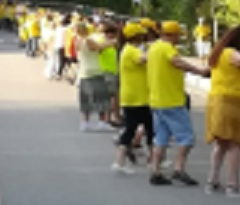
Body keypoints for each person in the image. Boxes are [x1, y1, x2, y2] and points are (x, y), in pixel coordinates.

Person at [146, 20, 210, 185]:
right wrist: (199, 71)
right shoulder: (168, 48)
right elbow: (176, 61)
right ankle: (178, 169)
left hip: (156, 100)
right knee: (187, 138)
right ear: (172, 35)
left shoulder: (153, 48)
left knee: (161, 138)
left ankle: (155, 171)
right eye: (177, 36)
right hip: (172, 100)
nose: (178, 40)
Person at [203, 24, 240, 195]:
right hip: (230, 100)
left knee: (220, 143)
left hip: (216, 99)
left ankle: (212, 181)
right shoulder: (229, 53)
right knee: (234, 143)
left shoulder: (218, 53)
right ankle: (232, 184)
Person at [113, 23, 152, 174]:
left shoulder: (128, 50)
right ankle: (152, 160)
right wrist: (156, 48)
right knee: (146, 129)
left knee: (133, 129)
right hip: (138, 97)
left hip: (134, 96)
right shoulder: (131, 51)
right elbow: (143, 59)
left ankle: (121, 161)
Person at [73, 21, 116, 132]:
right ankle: (102, 121)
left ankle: (85, 122)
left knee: (86, 98)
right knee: (101, 97)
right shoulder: (88, 40)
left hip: (83, 71)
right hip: (95, 70)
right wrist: (112, 42)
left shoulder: (77, 41)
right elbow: (98, 47)